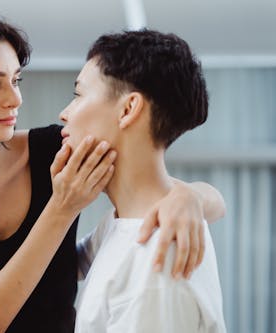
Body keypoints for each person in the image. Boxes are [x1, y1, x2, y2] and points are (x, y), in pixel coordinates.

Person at [0, 7, 225, 333]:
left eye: (16, 80)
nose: (14, 99)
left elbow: (154, 184)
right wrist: (63, 206)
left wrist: (186, 198)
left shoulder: (56, 149)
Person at [67, 30, 226, 332]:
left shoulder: (158, 252)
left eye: (78, 95)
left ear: (128, 109)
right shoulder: (118, 225)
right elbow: (57, 267)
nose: (65, 114)